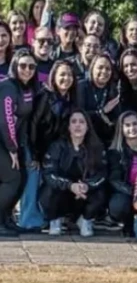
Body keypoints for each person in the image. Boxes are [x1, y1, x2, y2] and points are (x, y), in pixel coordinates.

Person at [40, 108, 107, 237]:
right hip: (62, 193)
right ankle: (55, 220)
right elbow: (49, 174)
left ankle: (85, 220)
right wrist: (70, 186)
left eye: (82, 122)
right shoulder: (57, 146)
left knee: (100, 193)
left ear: (87, 127)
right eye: (74, 122)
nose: (77, 125)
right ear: (69, 127)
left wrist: (86, 186)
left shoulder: (97, 147)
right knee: (47, 192)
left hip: (83, 196)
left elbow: (102, 174)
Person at [0, 51, 38, 235]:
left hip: (14, 142)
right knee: (12, 179)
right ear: (15, 66)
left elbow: (24, 121)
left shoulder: (28, 88)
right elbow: (6, 119)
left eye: (31, 66)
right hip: (3, 141)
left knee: (22, 178)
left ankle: (6, 218)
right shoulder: (8, 87)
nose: (27, 70)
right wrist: (12, 149)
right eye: (23, 66)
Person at [107, 111, 137, 234]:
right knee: (118, 206)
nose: (132, 128)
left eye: (135, 124)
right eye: (127, 125)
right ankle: (127, 221)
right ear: (122, 129)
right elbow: (114, 180)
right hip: (126, 192)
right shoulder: (115, 152)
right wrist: (134, 193)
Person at [31, 60, 77, 164]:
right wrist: (35, 155)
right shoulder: (44, 96)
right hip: (38, 149)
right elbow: (33, 124)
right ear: (54, 76)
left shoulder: (71, 100)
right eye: (62, 74)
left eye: (70, 75)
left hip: (57, 151)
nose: (66, 78)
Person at [77, 54, 120, 146]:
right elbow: (79, 114)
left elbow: (116, 117)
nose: (104, 71)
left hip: (105, 138)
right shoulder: (81, 86)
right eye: (100, 67)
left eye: (108, 69)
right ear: (92, 69)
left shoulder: (112, 89)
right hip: (84, 136)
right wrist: (101, 112)